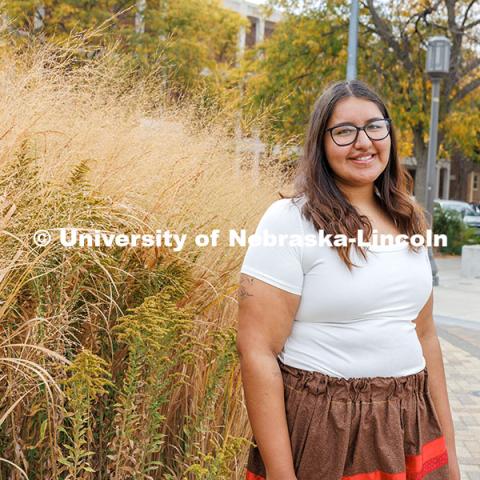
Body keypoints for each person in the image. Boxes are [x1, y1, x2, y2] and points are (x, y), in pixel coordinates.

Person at [236, 80, 460, 480]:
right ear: (320, 143)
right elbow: (257, 352)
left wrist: (451, 460)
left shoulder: (409, 217)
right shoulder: (289, 220)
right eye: (344, 131)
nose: (364, 142)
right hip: (329, 430)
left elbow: (425, 336)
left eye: (375, 127)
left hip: (409, 424)